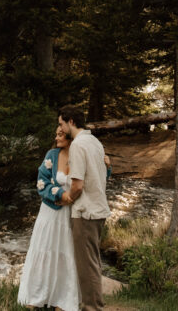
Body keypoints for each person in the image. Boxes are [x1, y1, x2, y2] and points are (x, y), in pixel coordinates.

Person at [17, 127, 81, 311]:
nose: (56, 137)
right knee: (44, 251)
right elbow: (41, 183)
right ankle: (36, 297)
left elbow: (94, 178)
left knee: (65, 253)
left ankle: (61, 299)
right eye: (56, 134)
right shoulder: (52, 155)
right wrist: (61, 194)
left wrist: (107, 167)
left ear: (70, 136)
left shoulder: (80, 154)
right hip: (49, 213)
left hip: (69, 216)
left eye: (60, 134)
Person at [58, 104, 110, 311]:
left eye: (62, 124)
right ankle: (94, 303)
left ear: (71, 121)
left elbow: (77, 184)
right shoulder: (95, 142)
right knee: (93, 262)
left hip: (85, 212)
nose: (60, 129)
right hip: (98, 209)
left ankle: (92, 307)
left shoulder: (79, 145)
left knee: (86, 265)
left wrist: (67, 198)